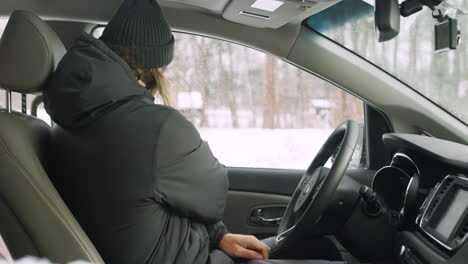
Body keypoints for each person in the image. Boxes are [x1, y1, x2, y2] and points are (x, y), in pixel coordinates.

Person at [43, 0, 271, 263]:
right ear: (153, 67)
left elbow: (133, 208)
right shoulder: (160, 129)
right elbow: (214, 196)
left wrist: (216, 236)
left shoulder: (65, 121)